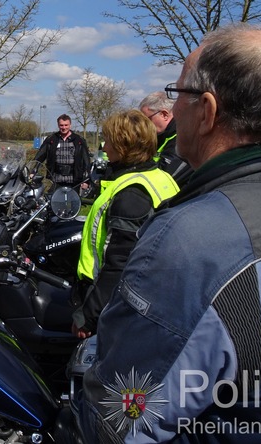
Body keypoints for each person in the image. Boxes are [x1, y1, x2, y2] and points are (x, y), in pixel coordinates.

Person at [77, 24, 261, 443]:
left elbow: (122, 416)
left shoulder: (189, 241)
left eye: (179, 93)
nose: (173, 108)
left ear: (208, 111)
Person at [71, 110, 179, 339]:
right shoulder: (158, 176)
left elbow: (120, 264)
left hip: (113, 305)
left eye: (108, 140)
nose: (103, 146)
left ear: (123, 146)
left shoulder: (132, 193)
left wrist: (88, 316)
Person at [139, 91, 193, 186]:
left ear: (164, 114)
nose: (144, 125)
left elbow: (166, 175)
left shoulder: (181, 136)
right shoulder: (162, 135)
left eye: (147, 120)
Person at [34, 114, 90, 189]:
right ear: (58, 125)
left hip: (74, 180)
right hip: (56, 179)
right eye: (61, 125)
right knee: (54, 200)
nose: (64, 127)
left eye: (66, 125)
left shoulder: (79, 140)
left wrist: (86, 180)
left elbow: (86, 161)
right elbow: (40, 157)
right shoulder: (51, 139)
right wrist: (33, 171)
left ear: (70, 125)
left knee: (72, 201)